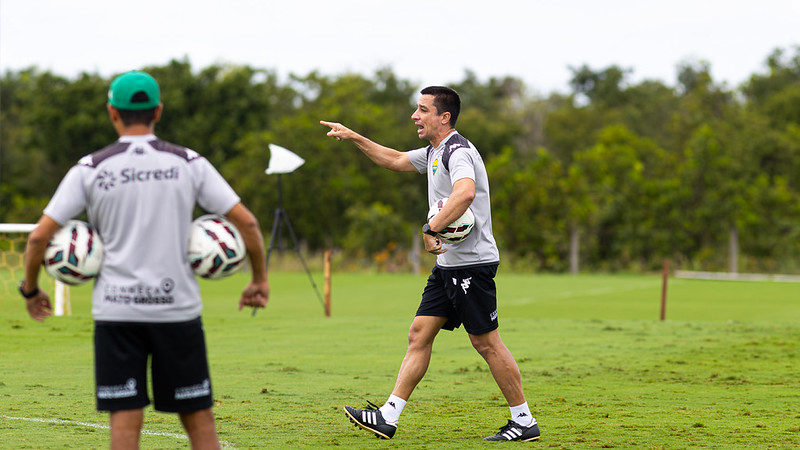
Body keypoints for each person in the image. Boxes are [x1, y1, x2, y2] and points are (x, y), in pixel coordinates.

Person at [19, 70, 270, 449]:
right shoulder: (189, 162)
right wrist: (259, 279)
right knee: (199, 422)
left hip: (117, 315)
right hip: (177, 313)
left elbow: (39, 236)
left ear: (111, 112)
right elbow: (248, 223)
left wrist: (31, 287)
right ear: (158, 111)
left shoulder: (90, 168)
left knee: (125, 425)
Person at [320, 86, 540, 442]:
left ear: (444, 117)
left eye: (422, 110)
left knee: (486, 344)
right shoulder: (434, 151)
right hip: (448, 266)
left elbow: (464, 192)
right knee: (419, 333)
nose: (414, 116)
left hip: (471, 265)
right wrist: (354, 136)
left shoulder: (458, 151)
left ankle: (524, 420)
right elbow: (393, 160)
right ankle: (387, 416)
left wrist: (431, 228)